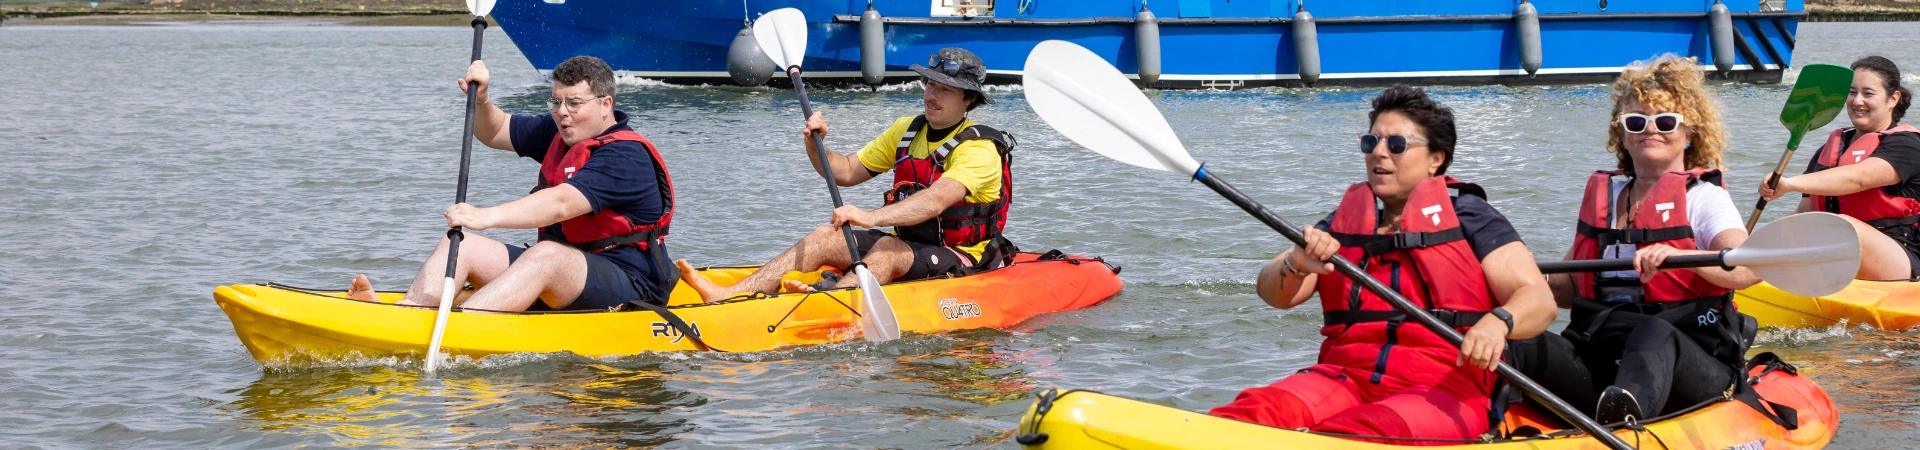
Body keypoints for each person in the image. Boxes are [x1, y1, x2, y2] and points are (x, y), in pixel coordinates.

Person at [1207, 85, 1558, 441]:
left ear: (1436, 158)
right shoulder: (1342, 224)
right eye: (1370, 142)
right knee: (1248, 414)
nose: (1379, 153)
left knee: (1357, 434)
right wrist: (1297, 261)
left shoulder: (1470, 216)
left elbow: (1539, 300)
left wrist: (1498, 323)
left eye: (1396, 145)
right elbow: (1273, 294)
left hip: (1443, 389)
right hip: (1341, 376)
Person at [675, 48, 1016, 303]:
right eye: (930, 83)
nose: (930, 93)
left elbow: (934, 201)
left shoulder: (980, 149)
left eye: (945, 89)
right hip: (910, 247)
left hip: (964, 258)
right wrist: (816, 144)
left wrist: (868, 217)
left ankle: (826, 303)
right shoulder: (907, 130)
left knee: (885, 247)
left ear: (968, 99)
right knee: (827, 235)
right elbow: (846, 172)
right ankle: (727, 296)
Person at [346, 55, 679, 311]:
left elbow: (560, 204)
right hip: (568, 271)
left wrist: (487, 216)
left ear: (606, 104)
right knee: (460, 243)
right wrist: (481, 100)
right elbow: (495, 130)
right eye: (557, 101)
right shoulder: (559, 132)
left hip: (631, 282)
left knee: (547, 254)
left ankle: (462, 327)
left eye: (574, 103)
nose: (562, 112)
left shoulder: (626, 156)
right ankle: (410, 314)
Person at [1540, 55, 1763, 424]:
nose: (1650, 130)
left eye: (1665, 121)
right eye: (1636, 121)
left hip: (1688, 358)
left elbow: (1749, 267)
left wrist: (1685, 255)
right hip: (1603, 352)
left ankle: (1626, 425)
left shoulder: (1704, 198)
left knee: (1652, 331)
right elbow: (1566, 290)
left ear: (1688, 134)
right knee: (1526, 342)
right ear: (1622, 134)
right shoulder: (1606, 199)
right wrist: (1516, 277)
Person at [1760, 55, 1920, 281]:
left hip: (1900, 257)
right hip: (1837, 253)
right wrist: (1759, 245)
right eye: (1852, 92)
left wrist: (1789, 183)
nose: (1857, 101)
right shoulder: (1832, 148)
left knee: (1840, 226)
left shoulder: (1907, 145)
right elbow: (1805, 210)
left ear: (1893, 99)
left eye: (1868, 93)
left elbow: (1859, 179)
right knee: (1792, 229)